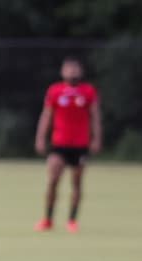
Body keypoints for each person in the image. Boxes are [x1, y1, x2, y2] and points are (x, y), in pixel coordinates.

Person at [34, 57, 101, 233]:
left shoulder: (88, 91)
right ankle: (48, 219)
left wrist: (96, 139)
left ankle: (72, 220)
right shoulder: (55, 91)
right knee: (53, 180)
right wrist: (40, 137)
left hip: (80, 144)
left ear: (81, 71)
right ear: (62, 72)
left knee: (77, 183)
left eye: (75, 69)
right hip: (59, 143)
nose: (72, 72)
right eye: (68, 69)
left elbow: (95, 117)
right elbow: (46, 116)